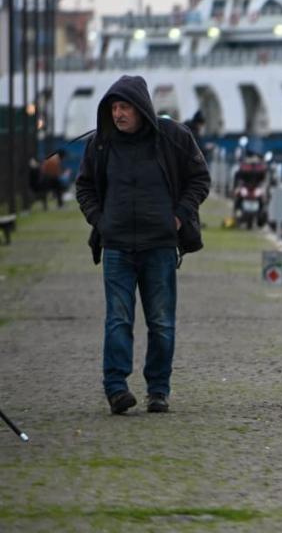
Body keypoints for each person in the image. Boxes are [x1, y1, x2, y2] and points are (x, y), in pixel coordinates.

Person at [75, 75, 210, 415]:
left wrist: (178, 216)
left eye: (125, 107)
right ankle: (116, 387)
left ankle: (158, 390)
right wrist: (100, 221)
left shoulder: (174, 138)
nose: (118, 114)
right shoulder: (100, 144)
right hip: (117, 245)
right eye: (114, 108)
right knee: (118, 319)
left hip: (160, 245)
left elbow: (199, 178)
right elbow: (85, 187)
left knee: (161, 322)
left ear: (141, 109)